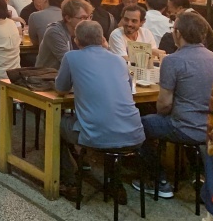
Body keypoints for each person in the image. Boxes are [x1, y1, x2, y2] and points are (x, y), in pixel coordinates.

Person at [54, 20, 145, 201]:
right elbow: (129, 88)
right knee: (110, 127)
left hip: (96, 136)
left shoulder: (72, 57)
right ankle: (114, 182)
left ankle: (70, 180)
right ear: (103, 39)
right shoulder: (119, 60)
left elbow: (61, 88)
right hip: (135, 134)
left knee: (54, 123)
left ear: (76, 40)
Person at [133, 11, 213, 198]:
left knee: (138, 124)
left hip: (183, 127)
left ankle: (158, 179)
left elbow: (163, 105)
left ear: (178, 33)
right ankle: (198, 174)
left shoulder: (173, 61)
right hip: (211, 129)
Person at [35, 0, 92, 70]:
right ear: (68, 18)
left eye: (88, 18)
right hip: (47, 78)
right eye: (82, 18)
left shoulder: (83, 32)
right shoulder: (55, 32)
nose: (87, 22)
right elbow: (69, 63)